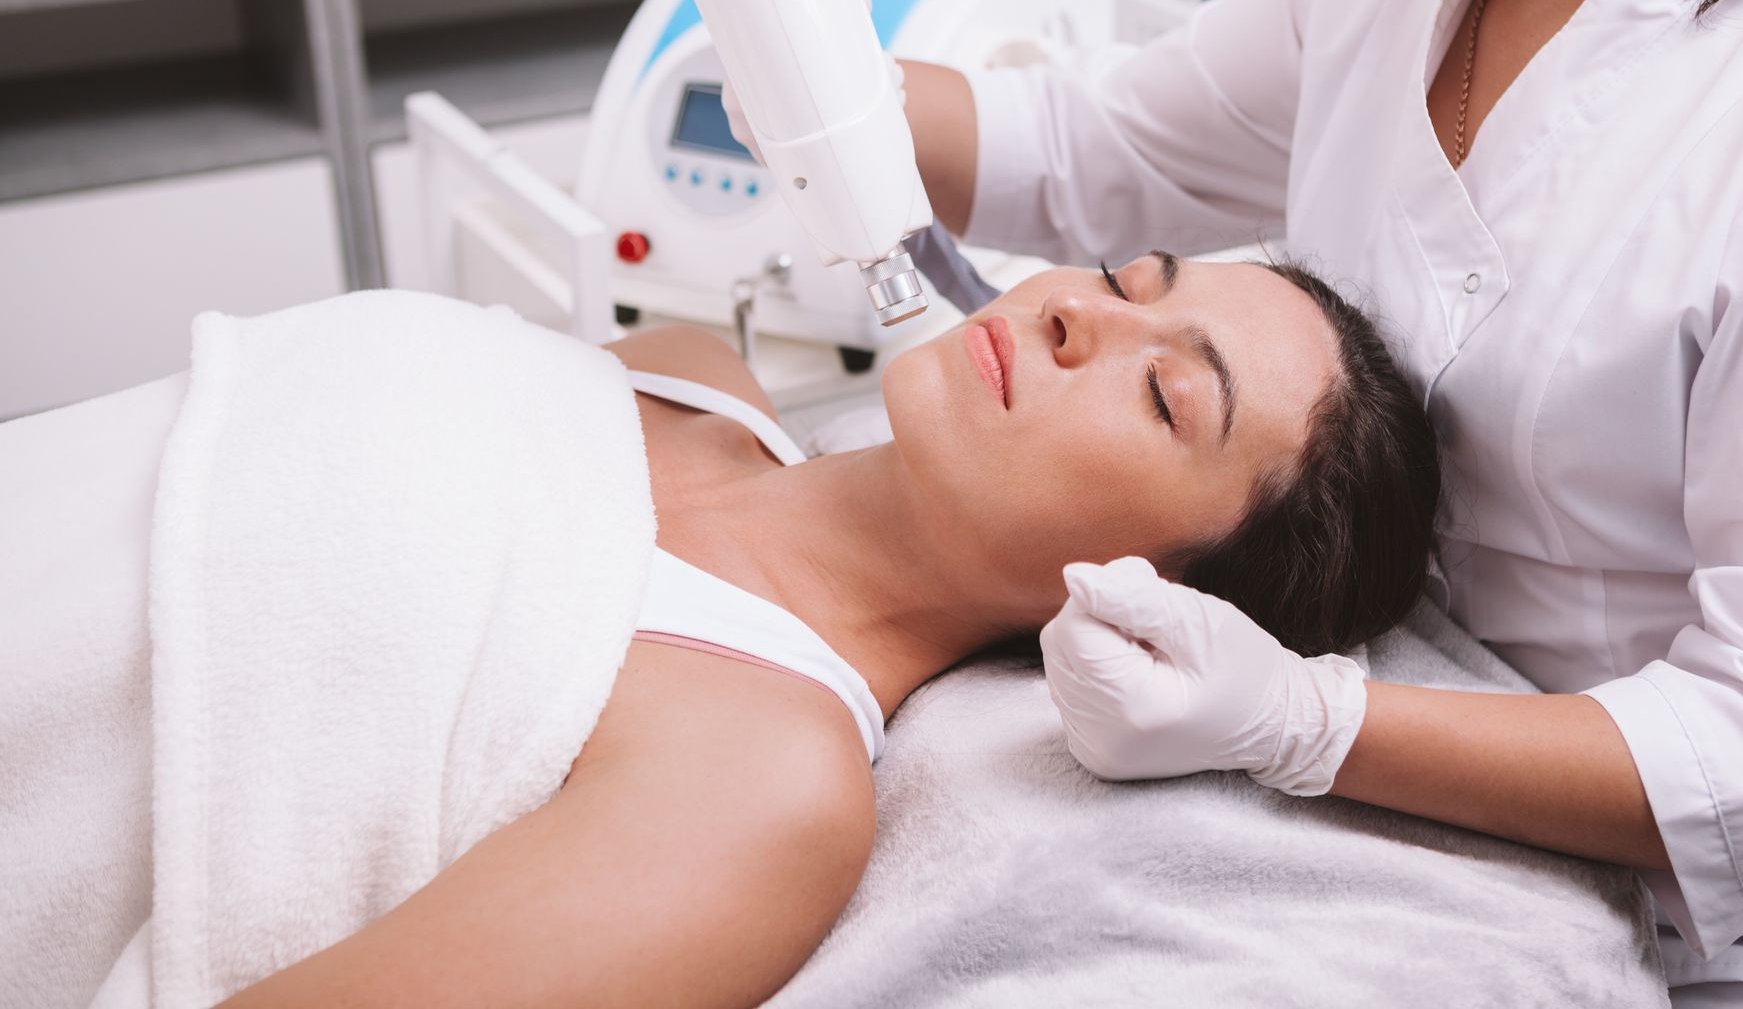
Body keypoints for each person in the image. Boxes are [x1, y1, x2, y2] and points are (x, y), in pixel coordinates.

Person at [878, 0, 1743, 1005]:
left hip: (1731, 938)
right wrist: (807, 73)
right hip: (1361, 833)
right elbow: (1092, 144)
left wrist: (1305, 722)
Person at [207, 254, 1440, 1006]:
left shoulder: (758, 790)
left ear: (1157, 596)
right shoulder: (685, 371)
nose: (1077, 314)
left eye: (1166, 394)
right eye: (1125, 279)